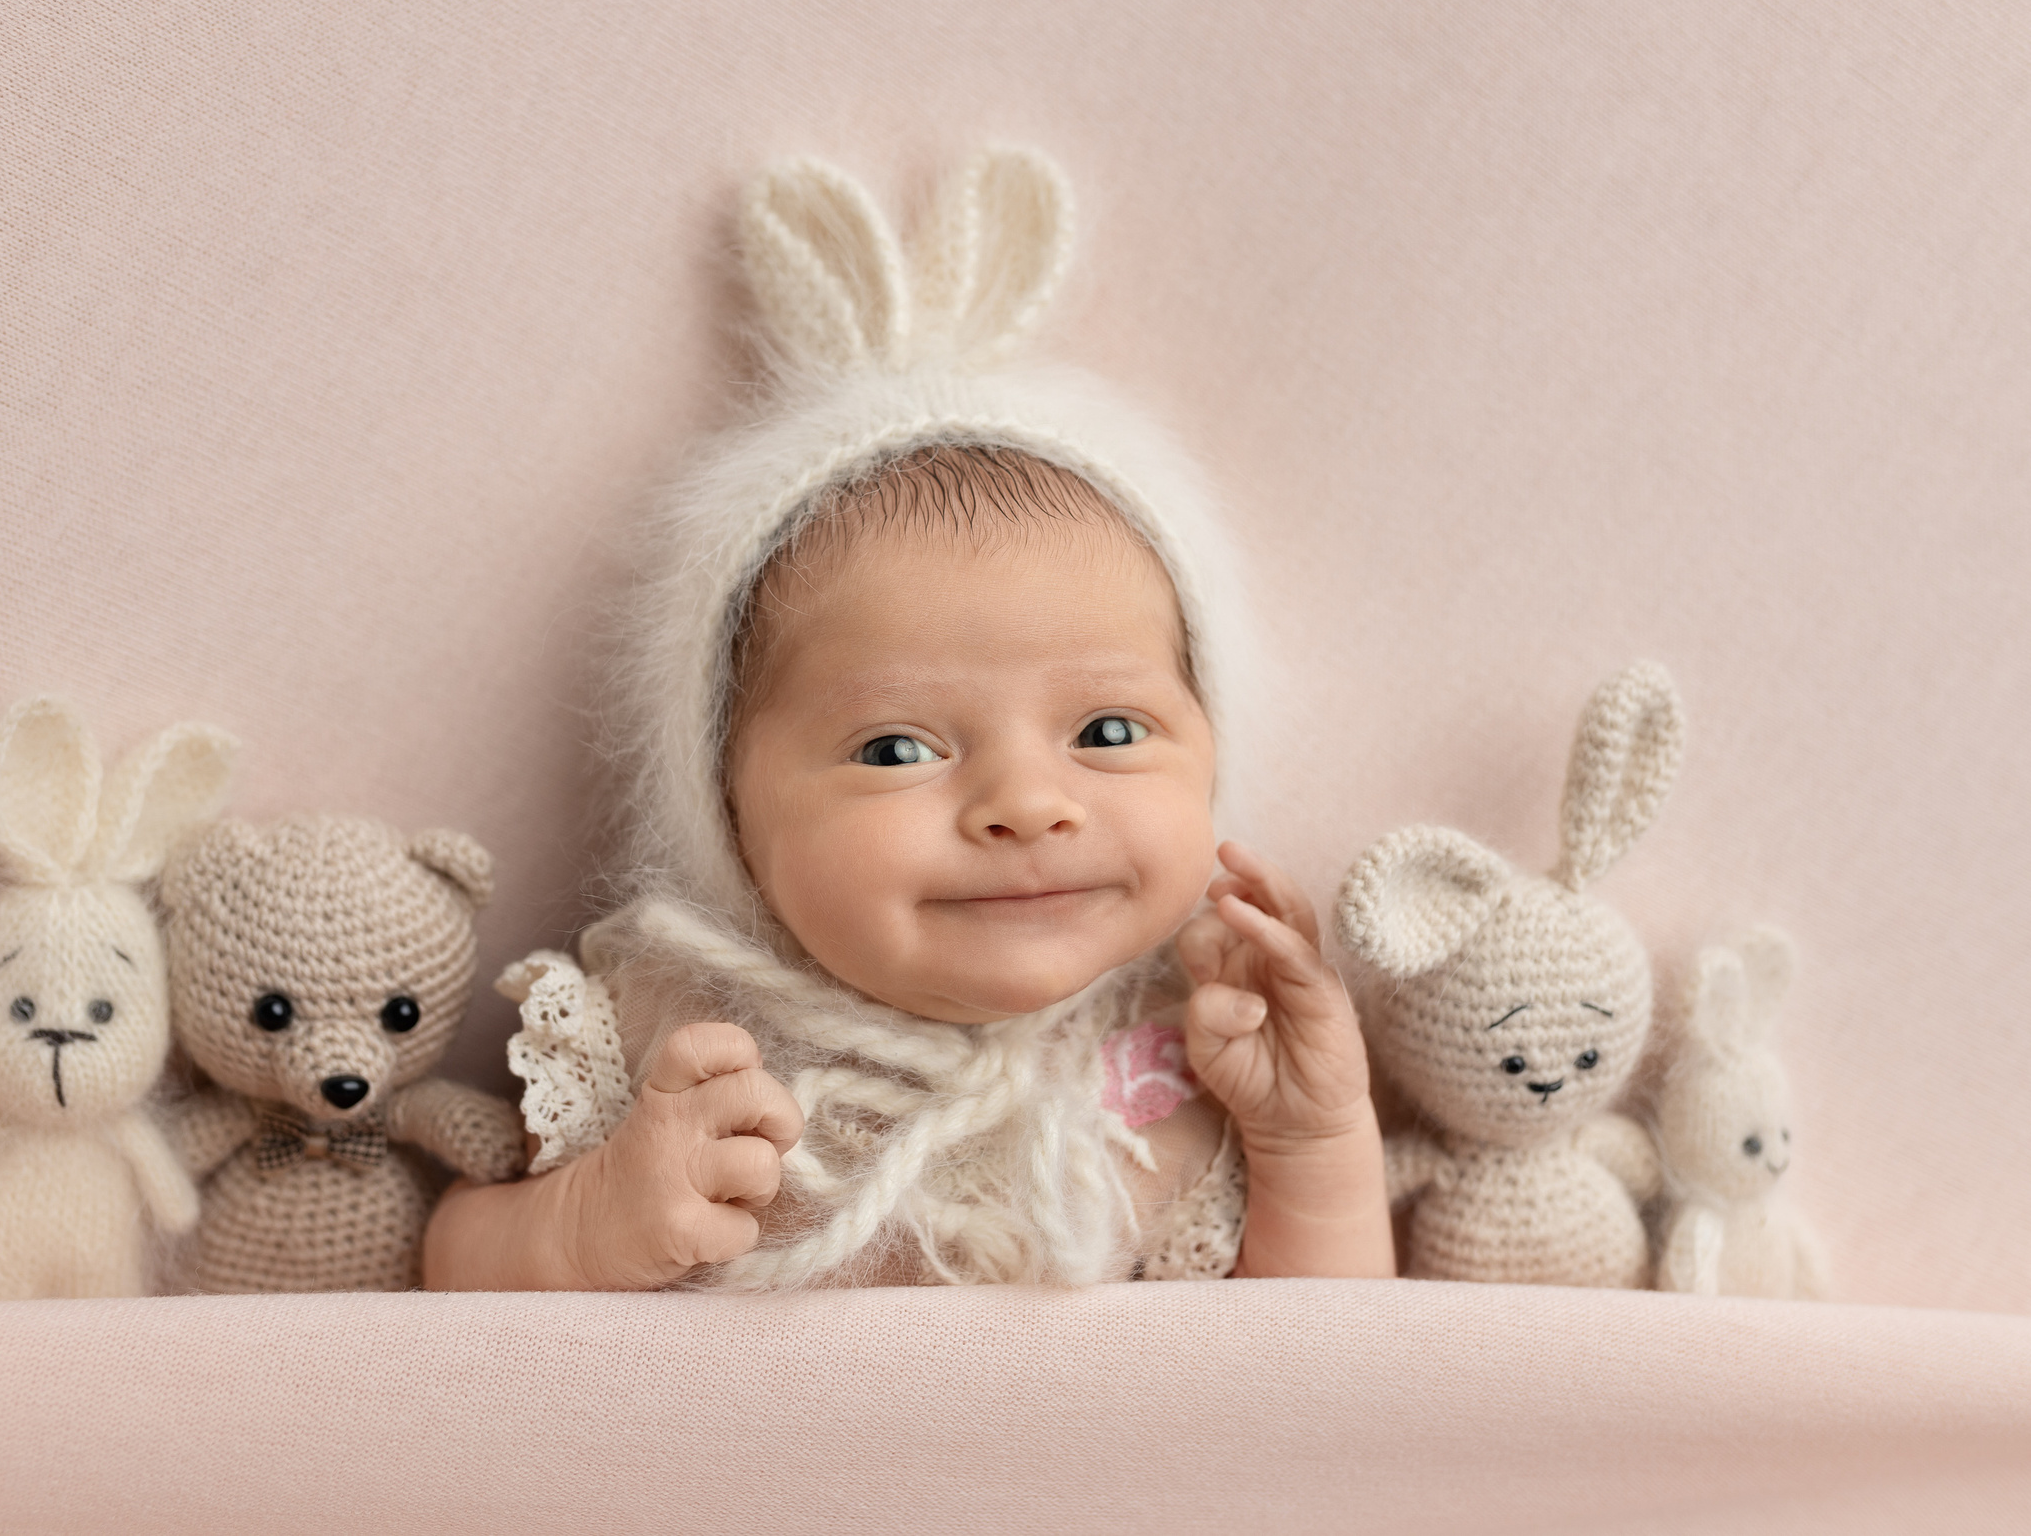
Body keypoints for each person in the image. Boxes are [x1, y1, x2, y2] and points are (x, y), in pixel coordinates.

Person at [424, 149, 1393, 1290]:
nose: (1027, 804)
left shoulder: (1201, 1050)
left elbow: (1333, 1371)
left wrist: (1312, 1142)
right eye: (896, 749)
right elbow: (445, 1269)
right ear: (727, 810)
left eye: (1108, 733)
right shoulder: (676, 1040)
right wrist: (582, 1223)